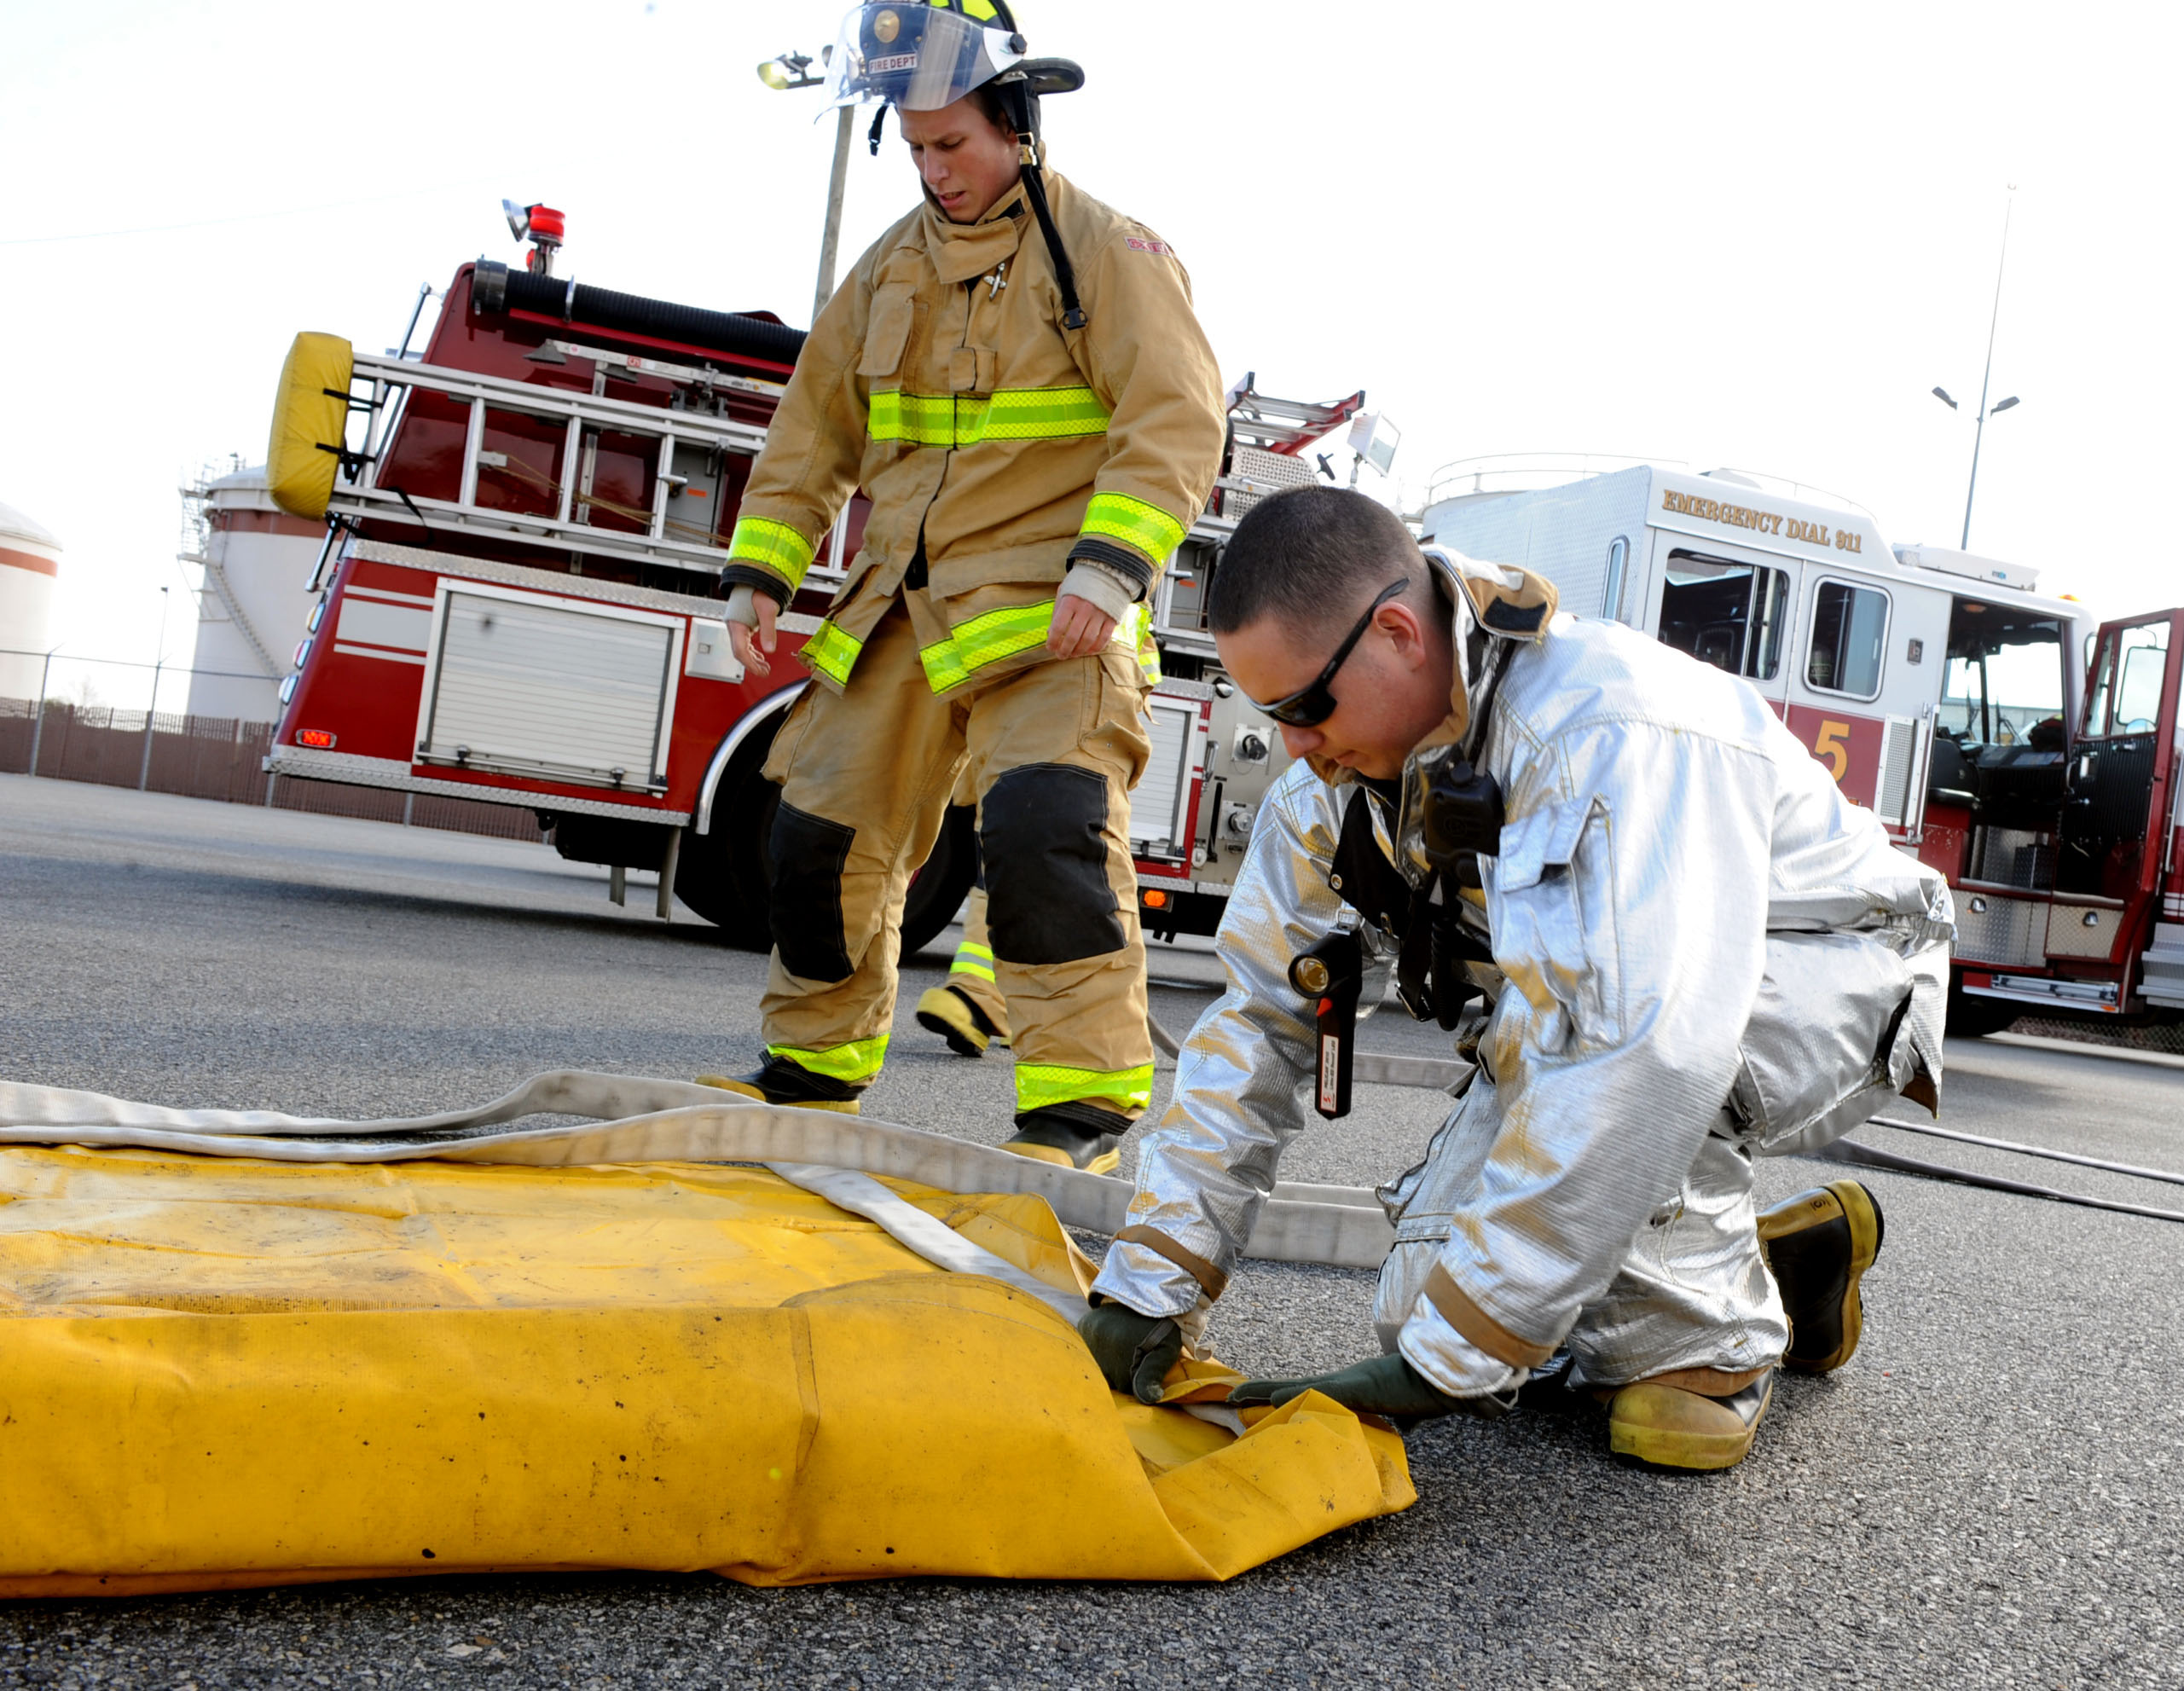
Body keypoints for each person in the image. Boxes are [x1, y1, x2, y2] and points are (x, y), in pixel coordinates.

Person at [1079, 487, 1951, 1471]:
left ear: (1400, 634)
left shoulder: (1606, 729)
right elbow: (1255, 1027)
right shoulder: (1324, 795)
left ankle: (1710, 1351)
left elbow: (1648, 1048)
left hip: (1824, 977)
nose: (1292, 744)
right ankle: (1785, 1265)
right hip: (1608, 1019)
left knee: (1493, 1326)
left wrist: (1454, 1361)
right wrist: (1151, 1284)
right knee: (1423, 1297)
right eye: (1268, 716)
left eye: (1304, 708)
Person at [703, 0, 1225, 1174]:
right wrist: (760, 574)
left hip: (1052, 615)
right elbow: (809, 432)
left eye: (956, 144)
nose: (936, 169)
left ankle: (1074, 1118)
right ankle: (811, 1078)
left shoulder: (1111, 255)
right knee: (814, 842)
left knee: (1049, 837)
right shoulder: (887, 266)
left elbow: (1177, 421)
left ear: (1017, 124)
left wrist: (1111, 563)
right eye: (918, 143)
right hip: (893, 607)